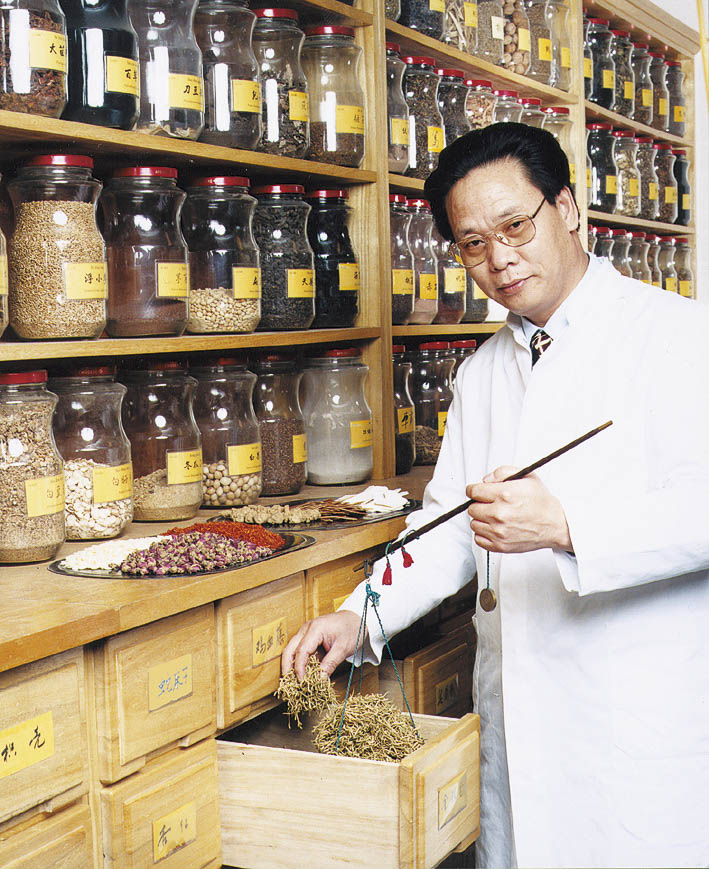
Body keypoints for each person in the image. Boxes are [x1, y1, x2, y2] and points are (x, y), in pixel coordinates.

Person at [282, 124, 709, 868]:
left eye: (516, 225)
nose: (499, 258)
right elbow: (448, 525)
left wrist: (568, 524)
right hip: (520, 718)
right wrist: (359, 617)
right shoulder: (482, 370)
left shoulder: (676, 336)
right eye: (471, 242)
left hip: (639, 719)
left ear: (568, 209)